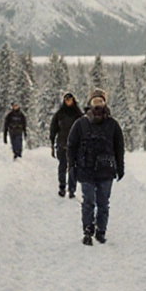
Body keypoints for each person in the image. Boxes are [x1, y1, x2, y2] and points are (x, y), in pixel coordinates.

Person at [67, 89, 124, 245]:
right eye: (94, 102)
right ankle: (88, 229)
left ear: (105, 103)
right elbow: (71, 145)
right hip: (86, 170)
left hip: (106, 170)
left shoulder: (113, 125)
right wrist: (71, 166)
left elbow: (119, 147)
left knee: (103, 203)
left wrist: (120, 167)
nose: (97, 105)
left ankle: (101, 231)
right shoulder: (81, 124)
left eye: (100, 101)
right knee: (88, 202)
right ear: (89, 103)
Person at [49, 92, 85, 198]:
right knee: (62, 166)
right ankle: (62, 187)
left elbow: (84, 129)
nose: (68, 102)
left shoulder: (78, 114)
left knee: (73, 168)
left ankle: (72, 189)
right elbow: (53, 129)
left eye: (70, 99)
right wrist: (52, 142)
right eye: (66, 100)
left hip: (75, 145)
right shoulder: (59, 114)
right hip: (62, 143)